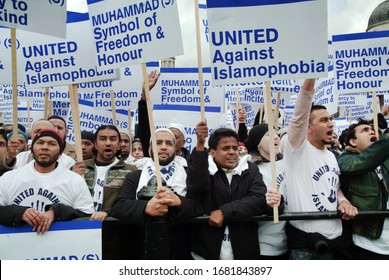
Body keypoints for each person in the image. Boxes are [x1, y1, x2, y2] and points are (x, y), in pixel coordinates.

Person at [283, 79, 358, 260]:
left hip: (336, 242)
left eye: (331, 119)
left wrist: (343, 202)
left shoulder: (332, 156)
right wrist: (311, 75)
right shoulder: (297, 150)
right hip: (307, 249)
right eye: (324, 120)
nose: (331, 123)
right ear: (308, 127)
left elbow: (334, 187)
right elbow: (299, 115)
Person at [187, 125, 283, 260]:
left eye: (235, 148)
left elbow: (258, 199)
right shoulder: (205, 170)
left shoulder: (250, 169)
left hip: (243, 254)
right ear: (213, 152)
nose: (232, 152)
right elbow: (196, 187)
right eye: (225, 148)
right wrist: (200, 146)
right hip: (205, 254)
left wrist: (225, 212)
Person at [111, 128, 203, 259]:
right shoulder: (136, 176)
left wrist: (179, 202)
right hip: (143, 249)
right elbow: (119, 207)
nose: (164, 147)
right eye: (158, 143)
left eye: (169, 143)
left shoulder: (187, 174)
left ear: (175, 149)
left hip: (179, 251)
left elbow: (199, 206)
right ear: (149, 149)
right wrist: (146, 207)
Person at [0, 129, 95, 233]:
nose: (44, 147)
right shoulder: (9, 178)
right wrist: (20, 213)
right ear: (32, 149)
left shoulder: (76, 181)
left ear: (60, 153)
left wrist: (57, 212)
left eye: (52, 144)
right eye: (40, 142)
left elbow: (87, 217)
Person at [338, 119, 389, 259]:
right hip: (367, 244)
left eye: (372, 130)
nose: (371, 131)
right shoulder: (346, 159)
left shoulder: (385, 160)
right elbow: (362, 163)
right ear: (353, 142)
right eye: (364, 130)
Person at [244, 123, 288, 259]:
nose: (276, 137)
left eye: (277, 134)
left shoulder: (288, 163)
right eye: (269, 135)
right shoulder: (251, 170)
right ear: (258, 144)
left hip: (288, 241)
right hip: (263, 245)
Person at [81, 125, 137, 221]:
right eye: (103, 139)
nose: (108, 143)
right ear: (95, 144)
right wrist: (72, 175)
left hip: (113, 229)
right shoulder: (80, 167)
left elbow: (131, 204)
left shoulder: (131, 171)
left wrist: (107, 212)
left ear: (119, 145)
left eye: (113, 139)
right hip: (82, 227)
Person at [0, 119, 75, 173]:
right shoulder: (19, 158)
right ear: (31, 135)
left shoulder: (68, 162)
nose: (42, 134)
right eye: (38, 131)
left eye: (46, 131)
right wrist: (9, 160)